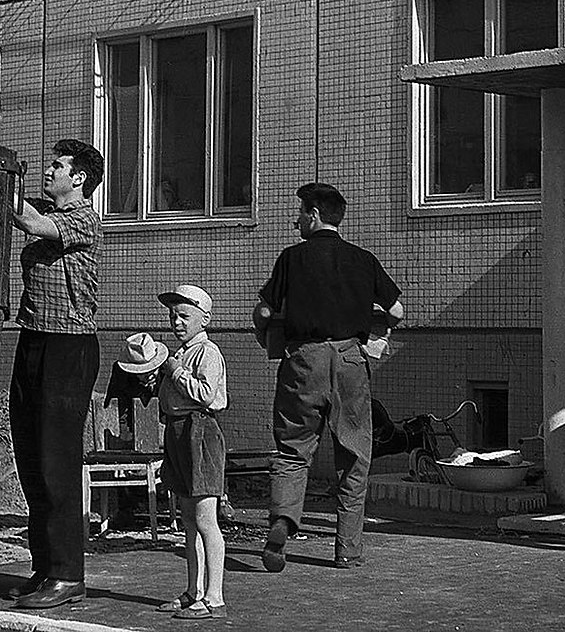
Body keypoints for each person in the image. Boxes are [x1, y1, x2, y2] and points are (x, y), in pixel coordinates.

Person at [252, 182, 403, 571]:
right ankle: (348, 550)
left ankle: (283, 523)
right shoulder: (364, 259)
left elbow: (266, 312)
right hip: (351, 360)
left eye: (300, 211)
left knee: (292, 450)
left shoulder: (291, 258)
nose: (296, 218)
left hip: (303, 361)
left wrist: (264, 330)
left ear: (314, 214)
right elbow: (398, 310)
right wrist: (374, 331)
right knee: (355, 456)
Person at [6, 138, 104, 609]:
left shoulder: (83, 216)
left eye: (57, 166)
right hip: (34, 338)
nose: (49, 171)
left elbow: (30, 220)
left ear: (79, 178)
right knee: (29, 456)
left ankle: (69, 573)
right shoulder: (49, 208)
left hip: (69, 347)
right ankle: (44, 568)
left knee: (56, 461)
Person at [150, 285, 228, 620]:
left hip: (200, 432)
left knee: (206, 519)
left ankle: (215, 597)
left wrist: (174, 371)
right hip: (179, 432)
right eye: (173, 316)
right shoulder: (180, 353)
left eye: (184, 316)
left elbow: (207, 395)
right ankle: (193, 590)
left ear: (204, 318)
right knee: (188, 520)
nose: (177, 322)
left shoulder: (207, 352)